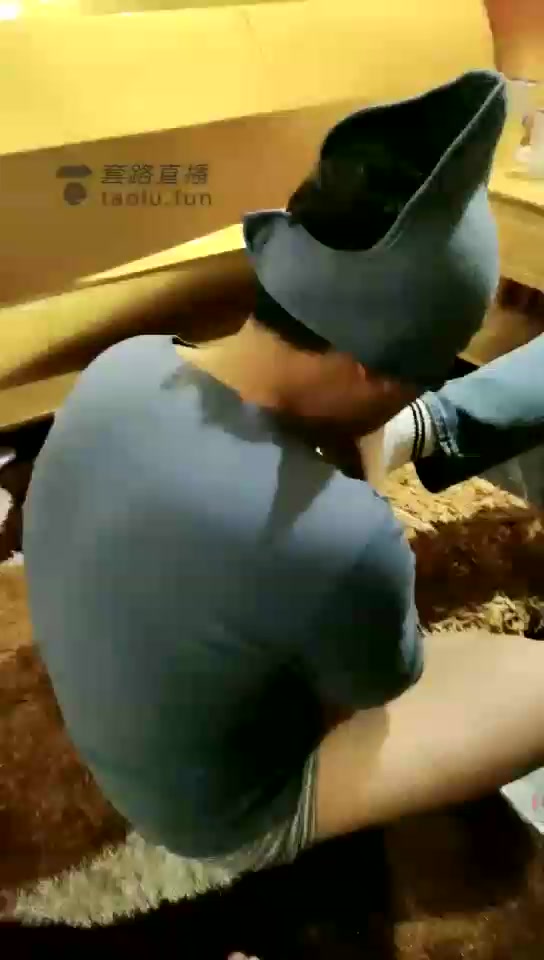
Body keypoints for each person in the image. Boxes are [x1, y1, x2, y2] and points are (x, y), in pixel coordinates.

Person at [23, 68, 544, 895]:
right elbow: (376, 685)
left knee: (366, 452)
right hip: (218, 814)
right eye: (425, 372)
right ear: (377, 374)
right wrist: (357, 511)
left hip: (120, 690)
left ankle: (431, 423)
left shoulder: (130, 362)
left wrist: (354, 467)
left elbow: (328, 441)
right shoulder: (343, 538)